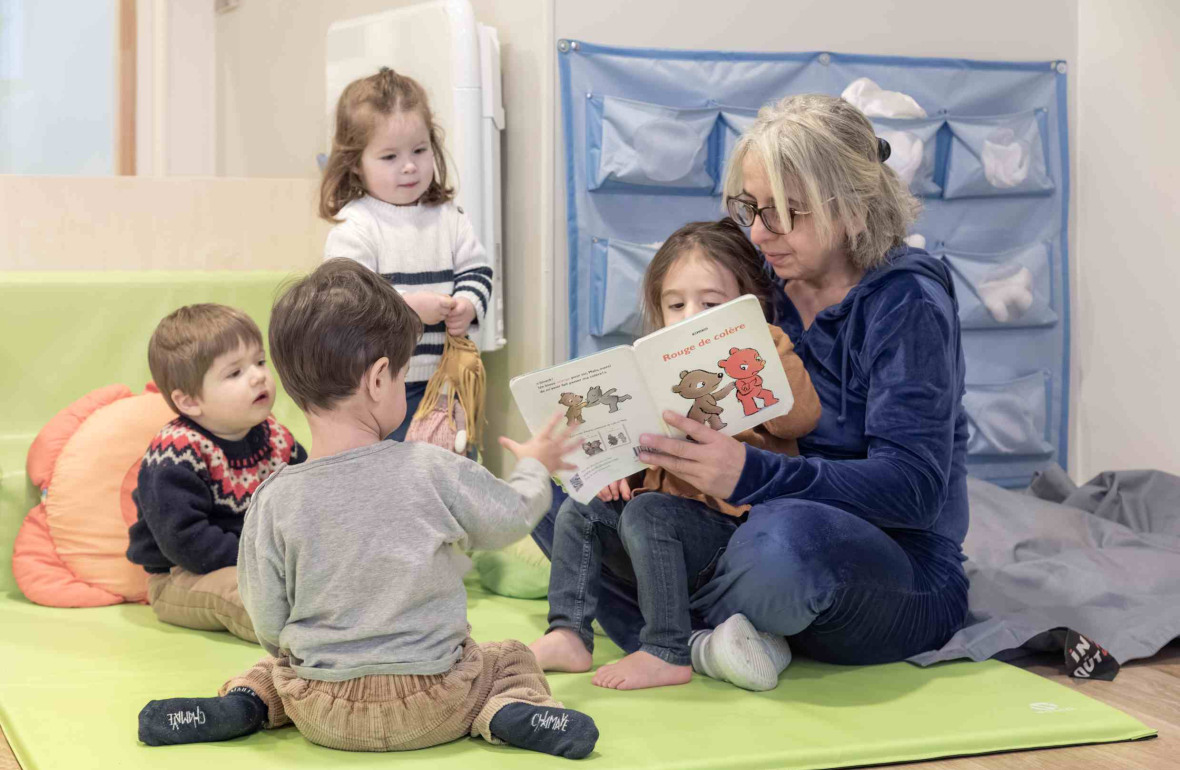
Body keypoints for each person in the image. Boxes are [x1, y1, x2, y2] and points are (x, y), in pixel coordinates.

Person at [533, 93, 970, 680]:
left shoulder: (908, 303)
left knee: (781, 547)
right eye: (751, 207)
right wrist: (614, 454)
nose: (761, 233)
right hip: (735, 525)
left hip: (889, 562)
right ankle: (706, 641)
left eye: (789, 212)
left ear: (857, 210)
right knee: (560, 498)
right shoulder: (762, 274)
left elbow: (913, 492)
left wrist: (748, 475)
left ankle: (678, 631)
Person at [136, 260, 598, 759]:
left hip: (322, 711)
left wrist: (312, 658)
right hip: (438, 703)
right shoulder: (432, 468)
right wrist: (533, 466)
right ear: (380, 380)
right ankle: (507, 710)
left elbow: (268, 620)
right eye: (402, 377)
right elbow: (511, 515)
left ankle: (245, 705)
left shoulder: (274, 496)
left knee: (272, 669)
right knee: (506, 657)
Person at [530, 219, 821, 691]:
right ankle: (568, 632)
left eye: (710, 304)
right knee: (581, 506)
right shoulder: (647, 372)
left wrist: (756, 344)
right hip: (657, 540)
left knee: (649, 512)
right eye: (676, 304)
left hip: (727, 537)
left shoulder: (764, 347)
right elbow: (637, 461)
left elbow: (800, 419)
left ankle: (667, 649)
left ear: (747, 307)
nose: (690, 316)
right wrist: (613, 474)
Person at [320, 67, 493, 441]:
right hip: (378, 391)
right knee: (396, 484)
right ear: (355, 163)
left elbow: (477, 270)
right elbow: (348, 304)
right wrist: (409, 308)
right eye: (389, 157)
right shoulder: (356, 226)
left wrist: (467, 303)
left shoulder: (449, 217)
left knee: (452, 469)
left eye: (419, 150)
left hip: (447, 382)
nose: (410, 165)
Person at [126, 303, 306, 643]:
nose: (257, 375)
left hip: (263, 565)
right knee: (245, 596)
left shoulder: (277, 438)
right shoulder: (176, 453)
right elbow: (185, 540)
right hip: (185, 576)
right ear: (190, 401)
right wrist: (263, 561)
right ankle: (301, 640)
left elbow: (306, 501)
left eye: (260, 361)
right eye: (235, 373)